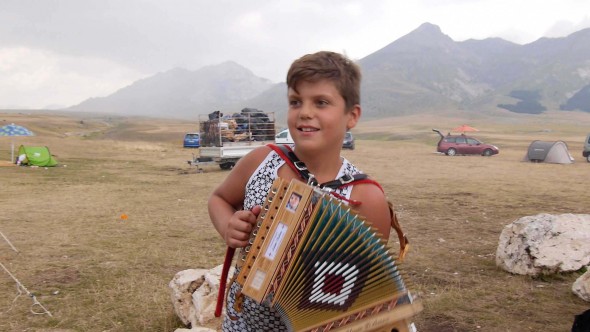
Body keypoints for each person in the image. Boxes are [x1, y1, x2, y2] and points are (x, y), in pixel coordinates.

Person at [208, 51, 393, 331]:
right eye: (296, 102)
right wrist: (227, 227)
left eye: (321, 102)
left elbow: (366, 290)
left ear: (351, 116)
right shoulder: (262, 161)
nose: (305, 112)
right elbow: (219, 199)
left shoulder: (366, 198)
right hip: (243, 322)